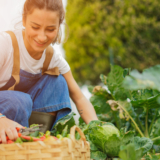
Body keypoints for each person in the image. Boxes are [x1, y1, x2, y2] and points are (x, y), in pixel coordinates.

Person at [0, 0, 98, 144]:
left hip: (23, 127)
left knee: (58, 82)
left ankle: (35, 139)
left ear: (59, 26)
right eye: (35, 27)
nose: (42, 37)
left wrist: (99, 129)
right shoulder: (5, 44)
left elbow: (79, 98)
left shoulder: (53, 59)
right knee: (20, 101)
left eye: (50, 29)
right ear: (24, 19)